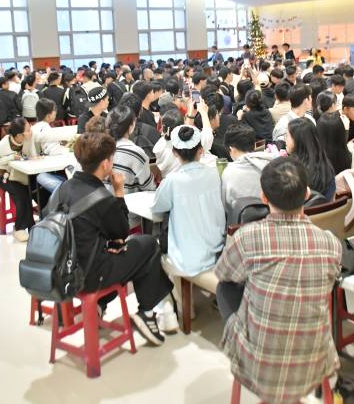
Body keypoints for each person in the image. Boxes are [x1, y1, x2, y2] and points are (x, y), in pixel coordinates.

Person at [215, 156, 342, 404]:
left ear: (263, 198)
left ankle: (247, 339)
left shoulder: (248, 237)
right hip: (316, 359)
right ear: (307, 194)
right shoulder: (329, 243)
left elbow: (224, 274)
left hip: (260, 366)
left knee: (225, 288)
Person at [53, 131, 173, 344]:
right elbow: (121, 232)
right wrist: (119, 192)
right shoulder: (101, 198)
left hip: (62, 270)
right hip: (88, 276)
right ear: (106, 164)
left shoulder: (63, 188)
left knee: (121, 251)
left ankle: (99, 305)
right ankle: (147, 312)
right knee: (147, 245)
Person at [151, 124, 226, 278]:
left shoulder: (172, 180)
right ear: (201, 151)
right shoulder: (214, 174)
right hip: (217, 251)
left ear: (174, 153)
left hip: (186, 260)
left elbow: (157, 208)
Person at [107, 106, 156, 227]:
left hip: (103, 212)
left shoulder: (100, 146)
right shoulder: (136, 153)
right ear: (131, 126)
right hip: (128, 215)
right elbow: (149, 188)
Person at [0, 118, 36, 242]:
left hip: (23, 175)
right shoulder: (2, 145)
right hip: (6, 177)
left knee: (36, 189)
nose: (31, 131)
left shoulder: (29, 139)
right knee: (22, 193)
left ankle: (34, 225)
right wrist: (10, 158)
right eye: (28, 130)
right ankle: (19, 227)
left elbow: (32, 155)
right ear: (19, 135)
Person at [221, 123, 275, 213]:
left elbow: (225, 206)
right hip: (270, 215)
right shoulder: (271, 163)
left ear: (231, 149)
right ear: (254, 145)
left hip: (240, 219)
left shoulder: (229, 172)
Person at [286, 117, 336, 200]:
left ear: (297, 140)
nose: (285, 139)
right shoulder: (326, 165)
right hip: (325, 207)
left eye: (287, 135)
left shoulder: (291, 171)